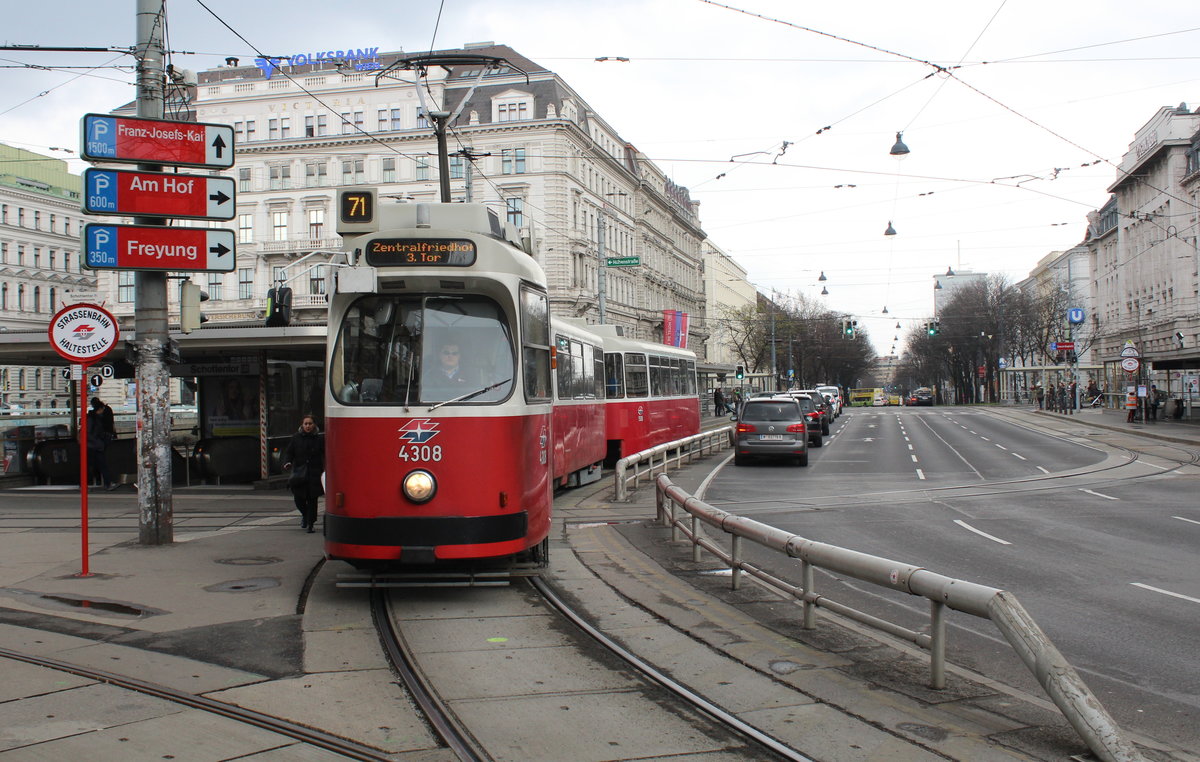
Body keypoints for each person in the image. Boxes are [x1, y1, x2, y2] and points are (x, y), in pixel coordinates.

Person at [283, 414, 325, 532]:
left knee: (312, 499)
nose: (308, 426)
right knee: (299, 498)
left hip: (314, 473)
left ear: (314, 425)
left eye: (310, 424)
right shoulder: (296, 438)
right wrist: (287, 462)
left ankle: (310, 524)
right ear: (302, 425)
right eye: (305, 424)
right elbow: (289, 452)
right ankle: (305, 515)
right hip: (299, 473)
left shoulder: (319, 439)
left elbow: (324, 453)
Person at [86, 397, 117, 491]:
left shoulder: (93, 418)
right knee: (98, 464)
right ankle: (106, 483)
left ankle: (104, 483)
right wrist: (99, 442)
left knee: (95, 464)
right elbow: (89, 433)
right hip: (95, 445)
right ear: (99, 409)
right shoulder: (94, 419)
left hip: (94, 445)